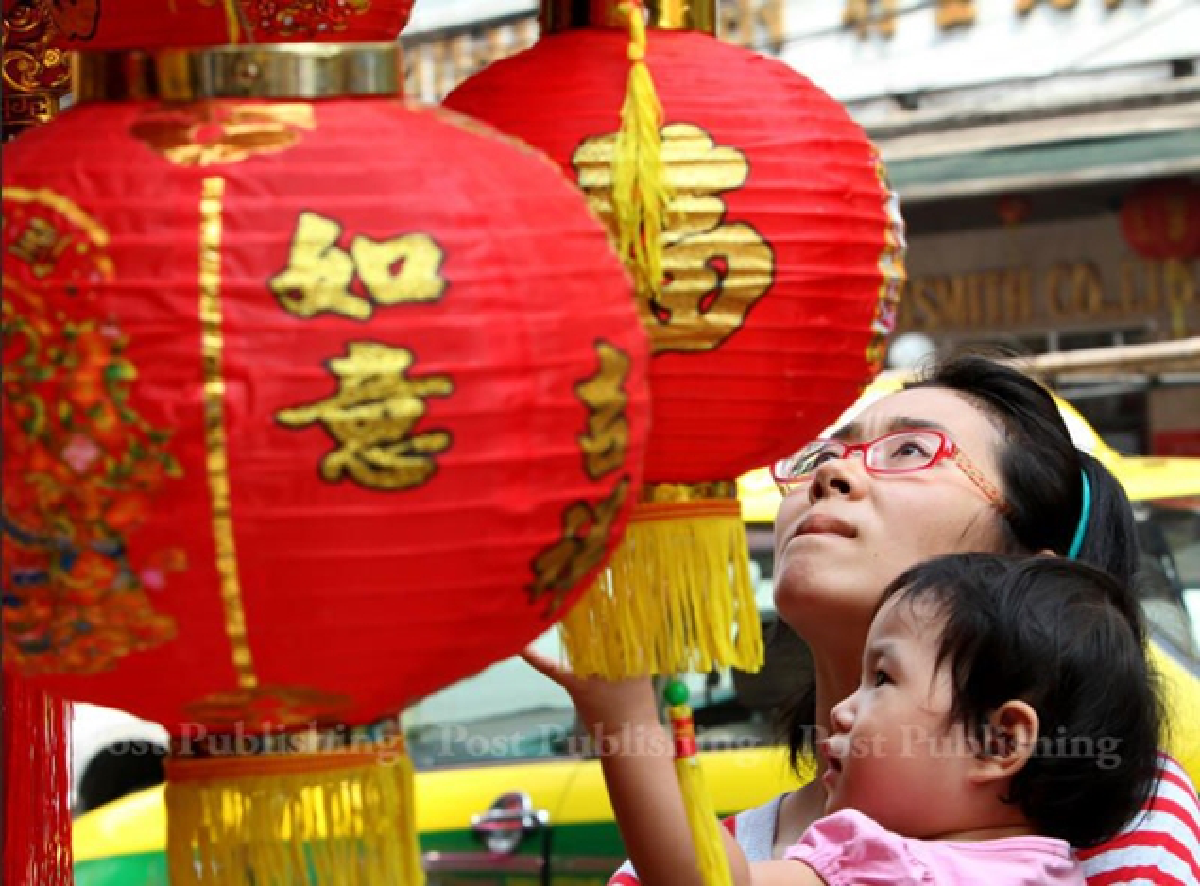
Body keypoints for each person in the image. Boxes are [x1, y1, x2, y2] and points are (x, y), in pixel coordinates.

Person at [526, 354, 1200, 886]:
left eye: (910, 451)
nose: (833, 474)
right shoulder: (670, 856)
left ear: (1033, 574)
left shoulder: (1118, 808)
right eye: (822, 455)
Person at [726, 552, 1159, 885]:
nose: (842, 711)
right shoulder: (1056, 873)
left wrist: (657, 743)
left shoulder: (879, 863)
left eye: (882, 678)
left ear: (999, 743)